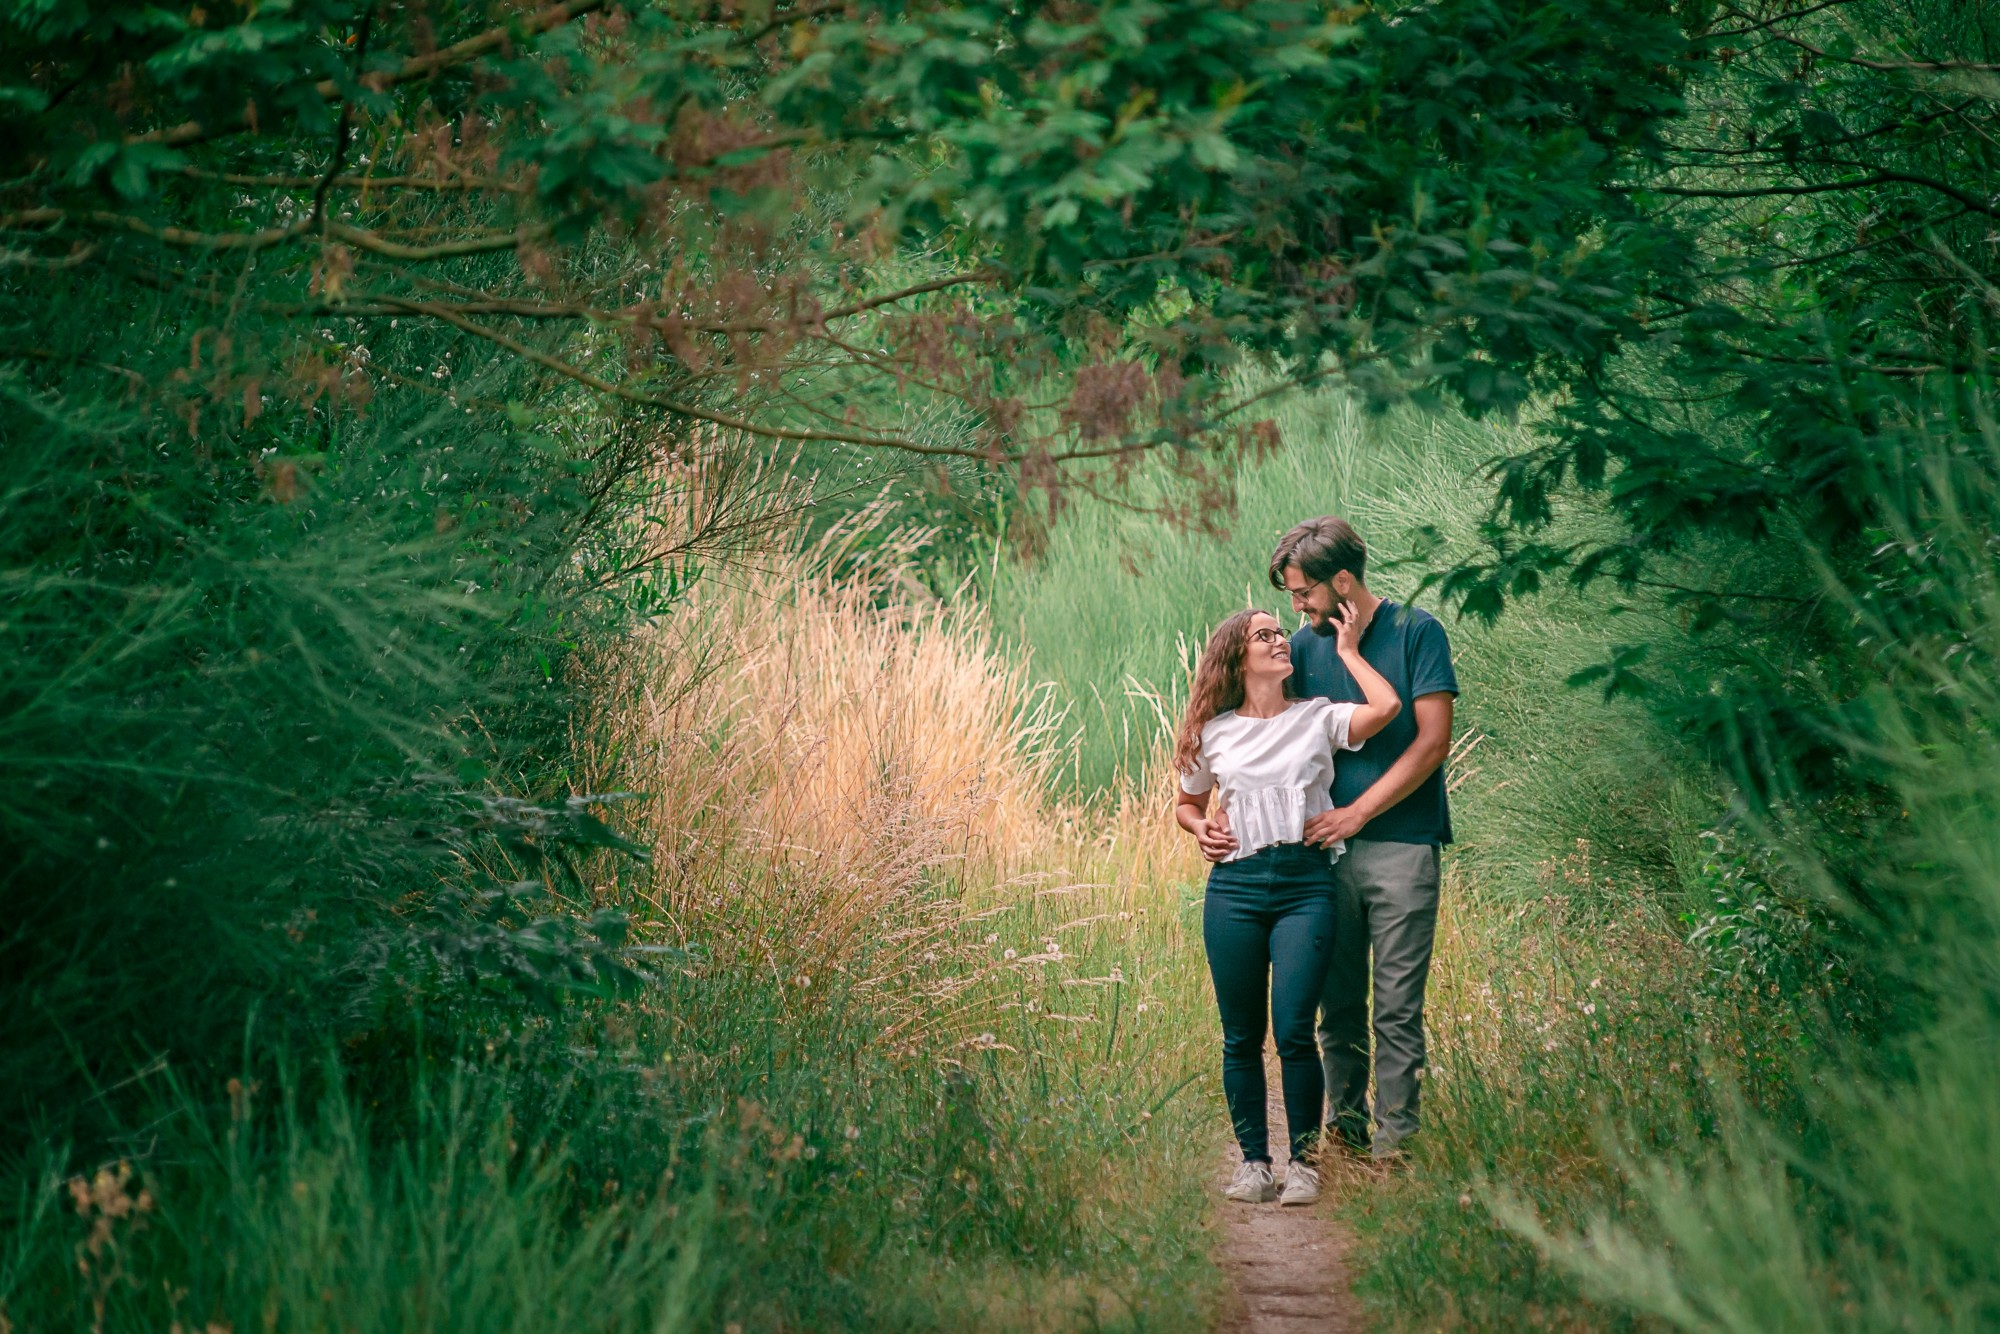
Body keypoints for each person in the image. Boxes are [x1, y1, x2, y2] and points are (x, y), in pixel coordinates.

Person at [1173, 606, 1401, 1205]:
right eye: (1265, 635)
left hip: (1306, 886)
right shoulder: (1213, 732)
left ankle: (1303, 1164)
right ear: (1236, 656)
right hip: (1235, 888)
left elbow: (1387, 709)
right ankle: (1254, 1164)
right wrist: (1199, 828)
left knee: (1296, 1028)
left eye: (1281, 632)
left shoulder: (1316, 717)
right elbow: (1186, 803)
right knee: (1240, 1035)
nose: (1282, 641)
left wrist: (1350, 652)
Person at [1269, 516, 1460, 1161]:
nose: (1297, 607)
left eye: (1304, 593)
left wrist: (1358, 813)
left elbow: (1433, 741)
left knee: (1398, 1009)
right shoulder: (1299, 647)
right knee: (1339, 1008)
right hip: (1322, 857)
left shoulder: (1416, 631)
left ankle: (1395, 1150)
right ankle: (1345, 1140)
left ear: (1343, 580)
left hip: (1404, 848)